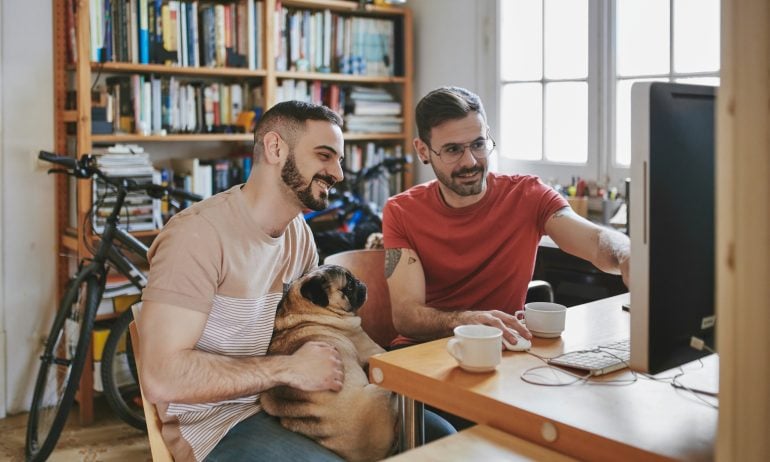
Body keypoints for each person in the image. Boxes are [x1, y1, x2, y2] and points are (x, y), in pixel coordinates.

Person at [138, 101, 453, 462]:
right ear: (275, 148)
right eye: (324, 155)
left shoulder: (297, 233)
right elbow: (161, 377)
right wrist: (289, 369)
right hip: (219, 425)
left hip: (289, 402)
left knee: (441, 438)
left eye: (339, 160)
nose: (338, 173)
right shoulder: (196, 237)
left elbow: (312, 328)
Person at [382, 85, 630, 391]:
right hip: (421, 357)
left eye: (478, 144)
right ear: (423, 151)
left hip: (501, 357)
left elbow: (597, 242)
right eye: (452, 150)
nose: (471, 161)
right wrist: (464, 320)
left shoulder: (528, 195)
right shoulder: (402, 211)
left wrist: (627, 254)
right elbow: (406, 317)